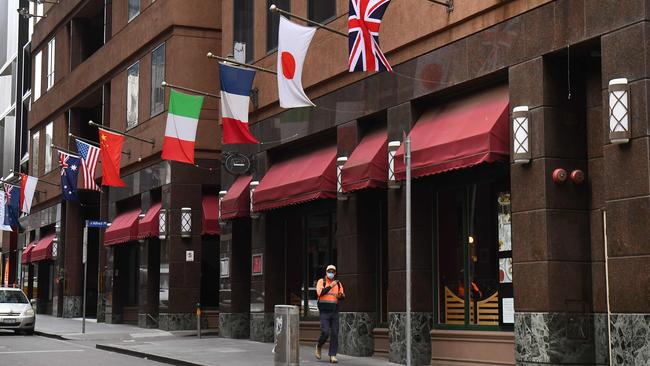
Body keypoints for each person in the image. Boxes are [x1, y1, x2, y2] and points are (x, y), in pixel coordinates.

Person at [315, 264, 345, 363]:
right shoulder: (321, 282)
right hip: (324, 312)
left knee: (335, 333)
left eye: (333, 272)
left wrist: (341, 295)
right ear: (326, 272)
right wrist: (330, 286)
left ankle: (332, 355)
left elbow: (342, 296)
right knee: (325, 332)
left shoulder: (338, 284)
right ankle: (319, 345)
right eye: (329, 271)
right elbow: (320, 293)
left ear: (335, 273)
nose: (331, 273)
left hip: (334, 311)